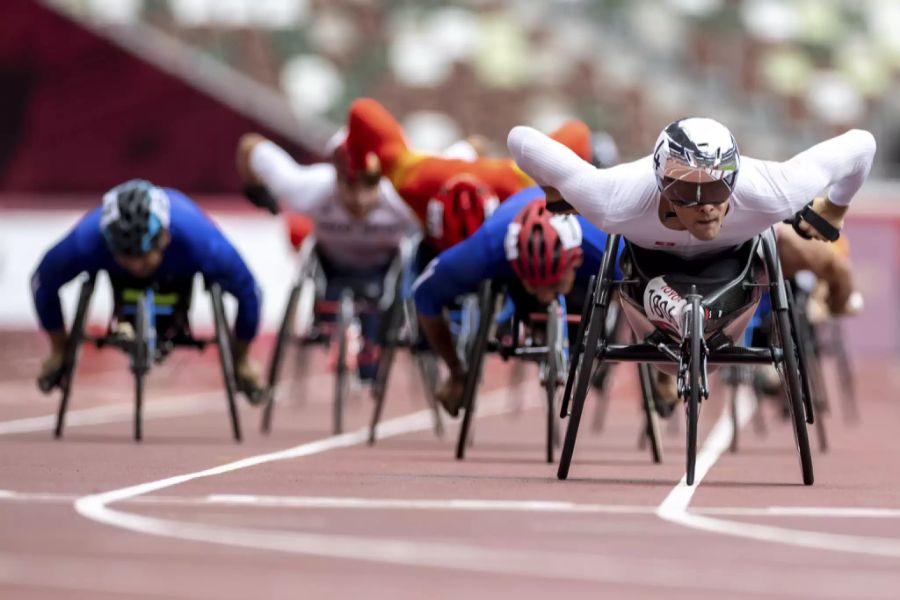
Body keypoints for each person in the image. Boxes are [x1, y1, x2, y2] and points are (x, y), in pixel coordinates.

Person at [33, 179, 265, 403]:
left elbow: (250, 292)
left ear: (164, 238)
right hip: (119, 280)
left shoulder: (201, 241)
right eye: (126, 255)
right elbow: (42, 281)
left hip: (179, 272)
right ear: (108, 243)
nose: (135, 265)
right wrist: (59, 347)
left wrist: (241, 356)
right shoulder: (87, 241)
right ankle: (118, 322)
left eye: (142, 256)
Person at [508, 117, 876, 254]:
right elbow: (520, 139)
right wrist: (554, 189)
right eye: (687, 191)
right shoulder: (614, 200)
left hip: (735, 263)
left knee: (817, 259)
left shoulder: (774, 190)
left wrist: (836, 207)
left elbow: (863, 144)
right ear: (661, 183)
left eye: (716, 189)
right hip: (648, 264)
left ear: (735, 178)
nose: (705, 205)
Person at [413, 186, 616, 416]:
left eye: (552, 285)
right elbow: (424, 294)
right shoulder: (486, 249)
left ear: (575, 260)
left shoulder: (602, 242)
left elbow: (643, 292)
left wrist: (662, 374)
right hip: (511, 267)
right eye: (535, 285)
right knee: (529, 300)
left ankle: (582, 322)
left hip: (584, 269)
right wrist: (456, 372)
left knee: (623, 285)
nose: (545, 295)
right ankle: (533, 310)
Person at [236, 133, 421, 381]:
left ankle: (373, 348)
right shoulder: (307, 187)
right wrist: (255, 187)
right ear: (335, 177)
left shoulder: (403, 198)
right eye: (349, 186)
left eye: (369, 186)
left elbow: (471, 150)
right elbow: (251, 145)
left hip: (386, 274)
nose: (359, 200)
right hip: (331, 271)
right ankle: (335, 332)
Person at [345, 98, 594, 226]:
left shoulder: (413, 179)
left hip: (451, 171)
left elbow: (361, 110)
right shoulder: (520, 182)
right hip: (496, 175)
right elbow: (578, 132)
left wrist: (365, 175)